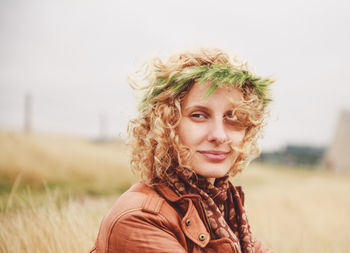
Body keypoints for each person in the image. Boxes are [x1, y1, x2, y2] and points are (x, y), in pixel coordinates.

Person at [90, 48, 274, 253]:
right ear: (166, 123)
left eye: (233, 117)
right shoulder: (140, 219)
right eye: (199, 115)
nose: (220, 135)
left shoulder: (228, 211)